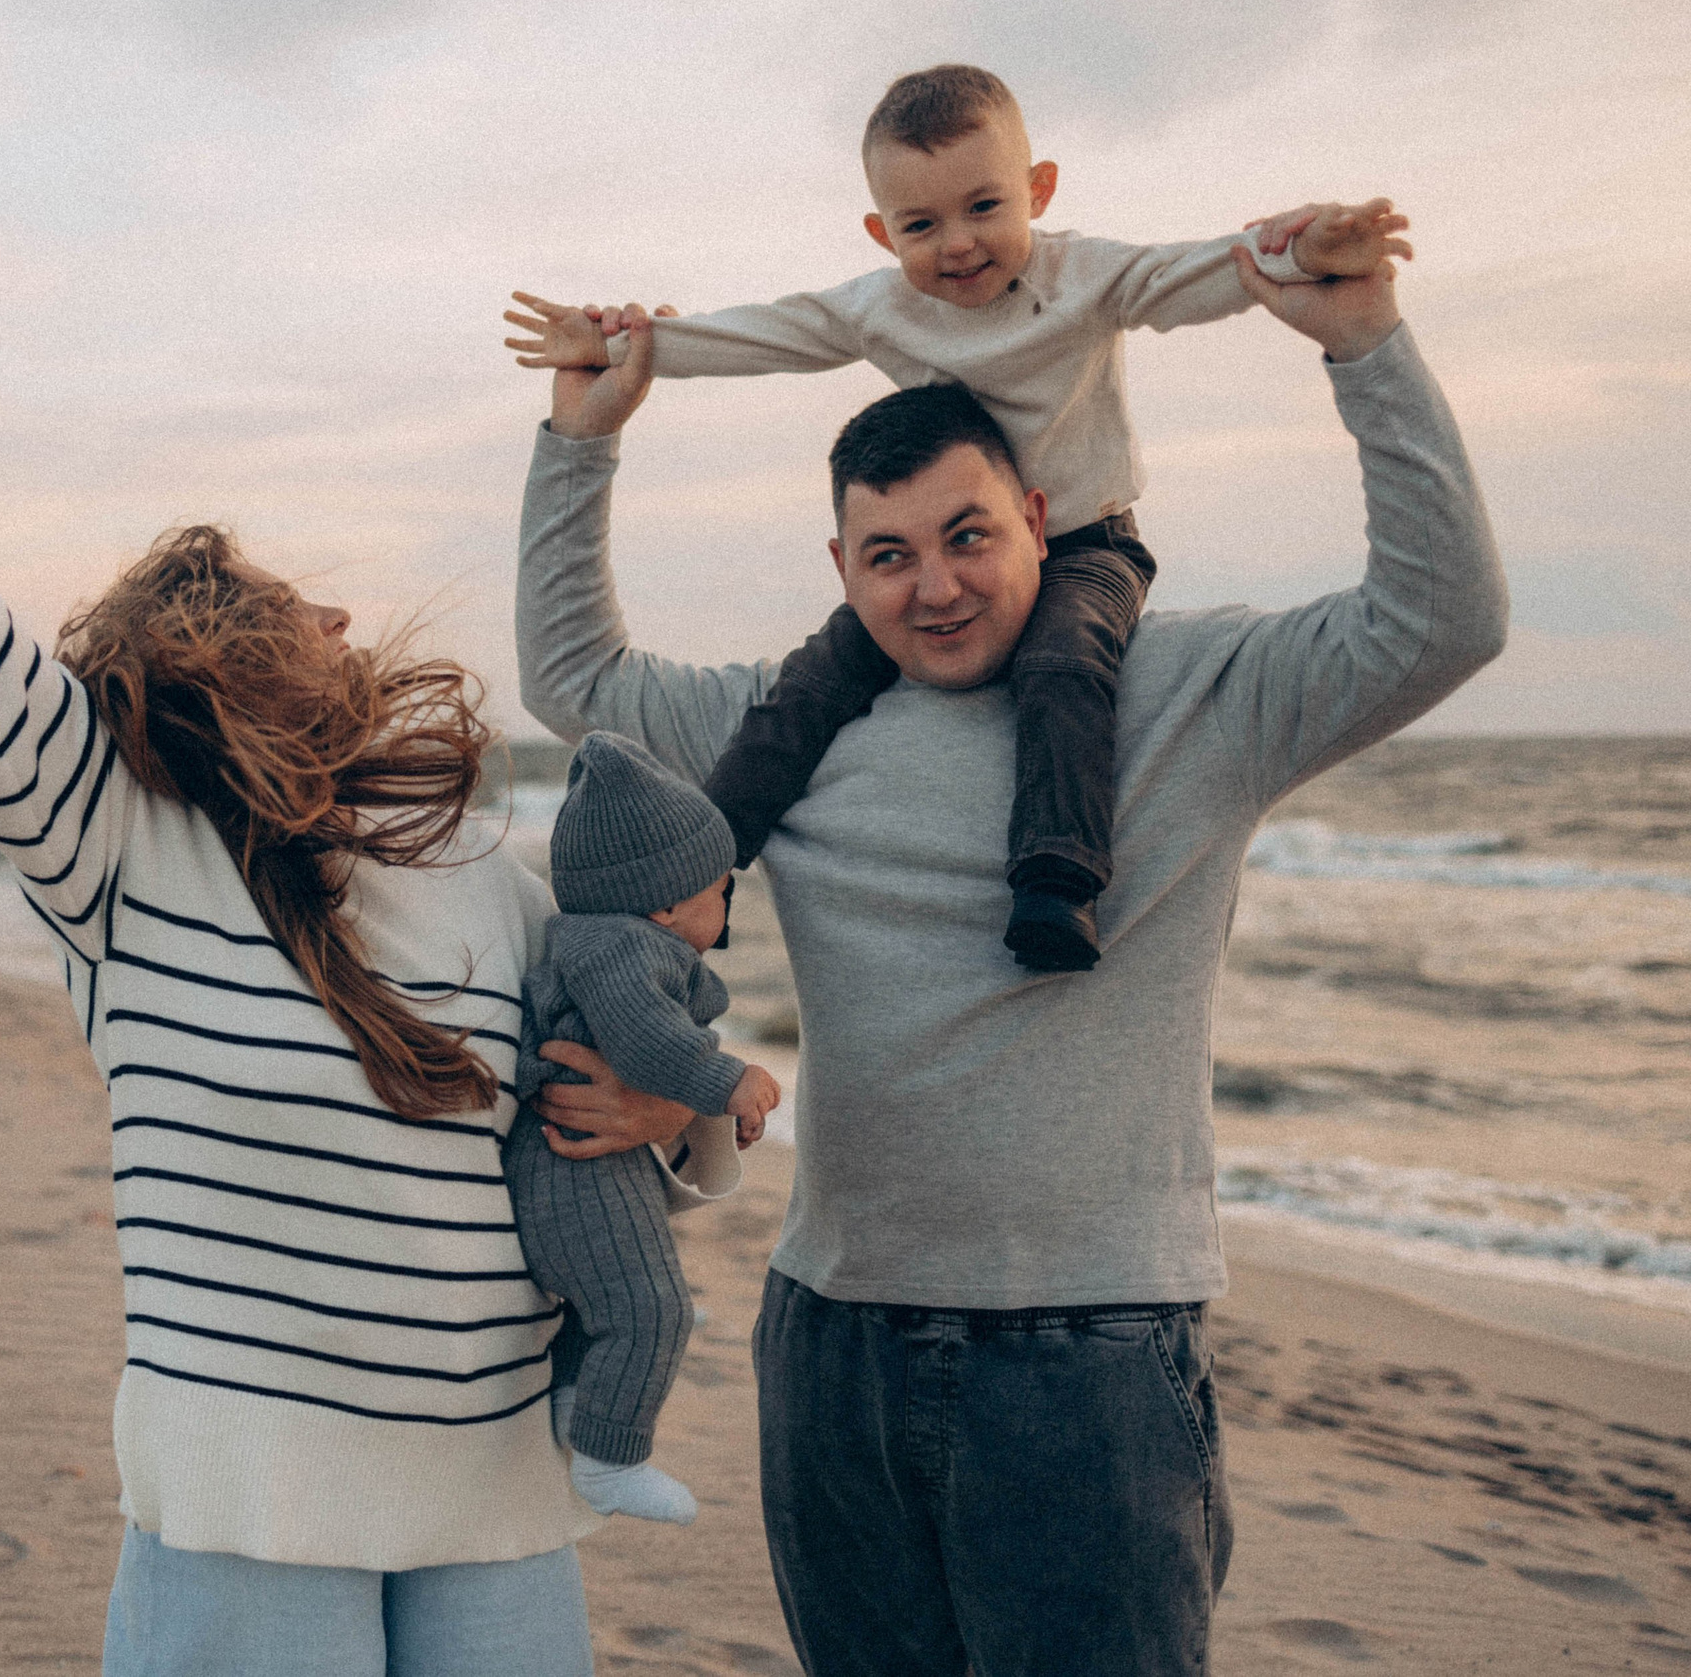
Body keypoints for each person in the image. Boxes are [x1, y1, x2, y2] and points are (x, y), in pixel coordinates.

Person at [0, 189, 742, 1677]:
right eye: (287, 606)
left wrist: (680, 1122)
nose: (338, 616)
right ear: (216, 660)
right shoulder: (117, 852)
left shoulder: (477, 867)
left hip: (496, 1487)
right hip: (247, 1491)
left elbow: (624, 1111)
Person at [514, 254, 1505, 1669]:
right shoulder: (778, 726)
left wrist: (1366, 345)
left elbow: (1444, 618)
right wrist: (584, 438)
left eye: (969, 535)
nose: (936, 588)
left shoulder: (1192, 693)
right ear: (843, 569)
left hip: (1091, 1355)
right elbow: (571, 676)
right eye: (890, 555)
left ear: (1040, 518)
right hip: (833, 1339)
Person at [504, 63, 1413, 971]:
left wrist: (1303, 251)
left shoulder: (1085, 278)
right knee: (806, 690)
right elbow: (769, 334)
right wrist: (626, 344)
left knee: (1064, 661)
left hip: (1088, 544)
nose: (959, 245)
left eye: (985, 207)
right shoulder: (881, 308)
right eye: (921, 225)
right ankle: (709, 869)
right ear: (880, 231)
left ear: (1038, 189)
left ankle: (1058, 878)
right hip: (950, 550)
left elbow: (1198, 271)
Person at [507, 731, 779, 1526]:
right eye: (720, 890)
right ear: (663, 899)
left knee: (604, 1307)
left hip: (584, 1162)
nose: (727, 908)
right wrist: (728, 1080)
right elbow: (645, 1040)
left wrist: (704, 1107)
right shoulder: (624, 949)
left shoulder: (608, 941)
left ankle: (573, 1408)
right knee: (653, 1307)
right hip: (575, 1166)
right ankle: (611, 1458)